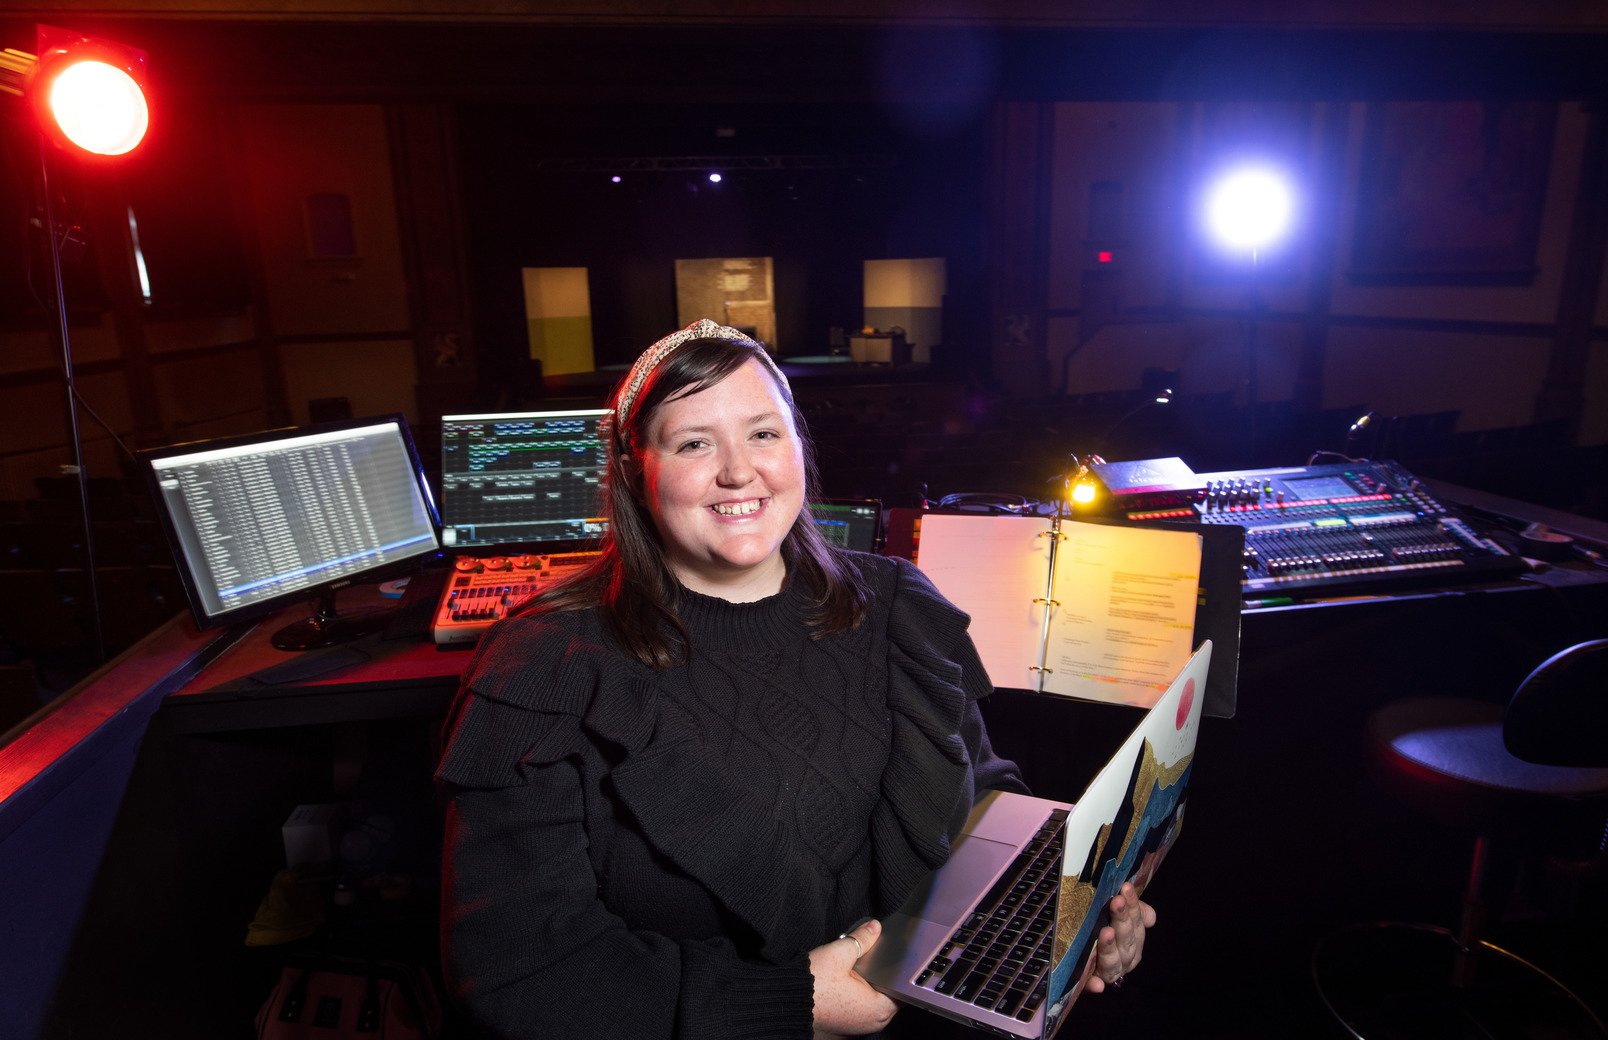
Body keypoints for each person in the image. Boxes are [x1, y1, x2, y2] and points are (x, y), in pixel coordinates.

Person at [436, 319, 1155, 1039]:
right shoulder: (541, 668)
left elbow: (984, 800)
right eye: (694, 443)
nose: (739, 471)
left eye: (764, 433)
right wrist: (790, 1007)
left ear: (798, 446)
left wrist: (1073, 917)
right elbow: (519, 973)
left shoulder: (898, 605)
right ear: (634, 471)